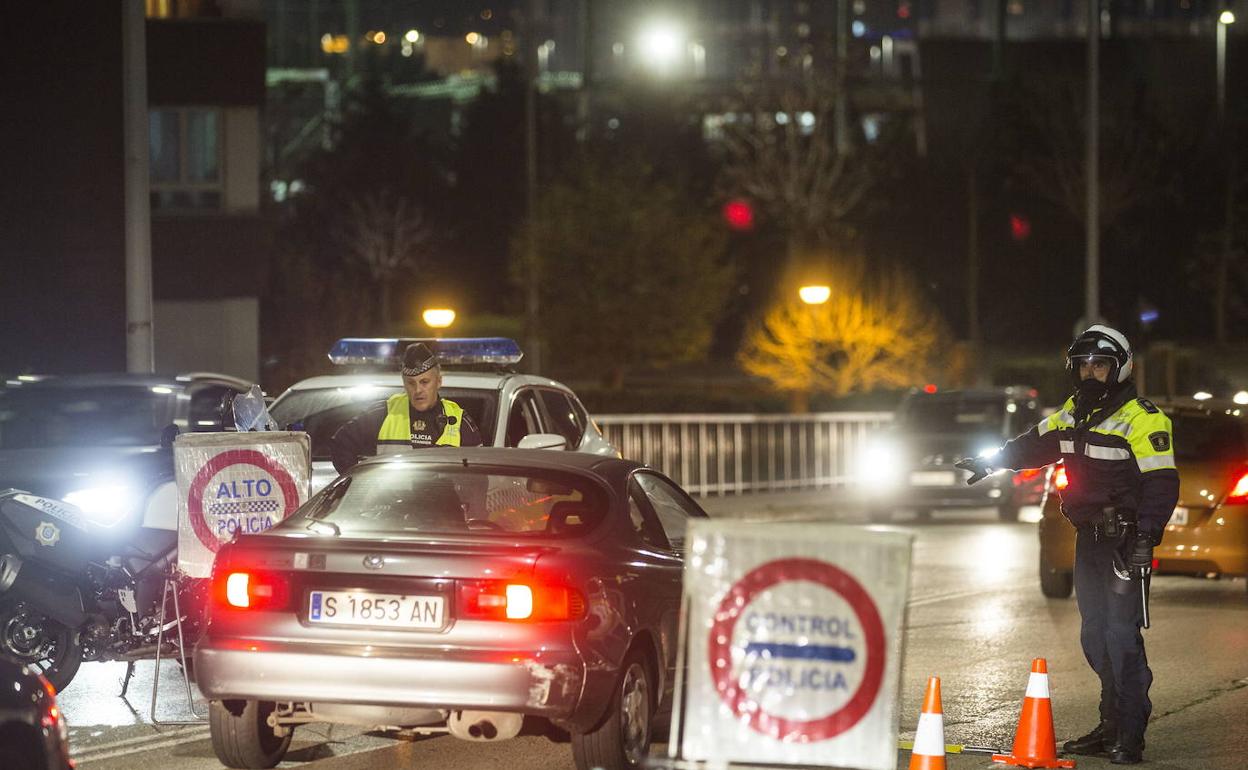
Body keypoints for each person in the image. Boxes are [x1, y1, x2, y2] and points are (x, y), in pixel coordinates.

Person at [956, 324, 1178, 766]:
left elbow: (1162, 484)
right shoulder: (1073, 412)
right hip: (1090, 539)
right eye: (1084, 365)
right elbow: (1033, 446)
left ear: (1120, 368)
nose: (1091, 373)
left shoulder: (1143, 417)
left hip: (1125, 540)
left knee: (1121, 637)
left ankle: (1129, 735)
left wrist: (1146, 539)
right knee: (1095, 637)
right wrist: (991, 461)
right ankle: (1109, 724)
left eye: (1100, 365)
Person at [330, 342, 482, 473]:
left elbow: (479, 472)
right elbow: (340, 443)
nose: (417, 390)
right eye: (411, 383)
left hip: (443, 506)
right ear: (404, 384)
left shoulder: (459, 420)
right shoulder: (385, 413)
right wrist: (359, 486)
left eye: (424, 382)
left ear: (439, 381)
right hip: (393, 506)